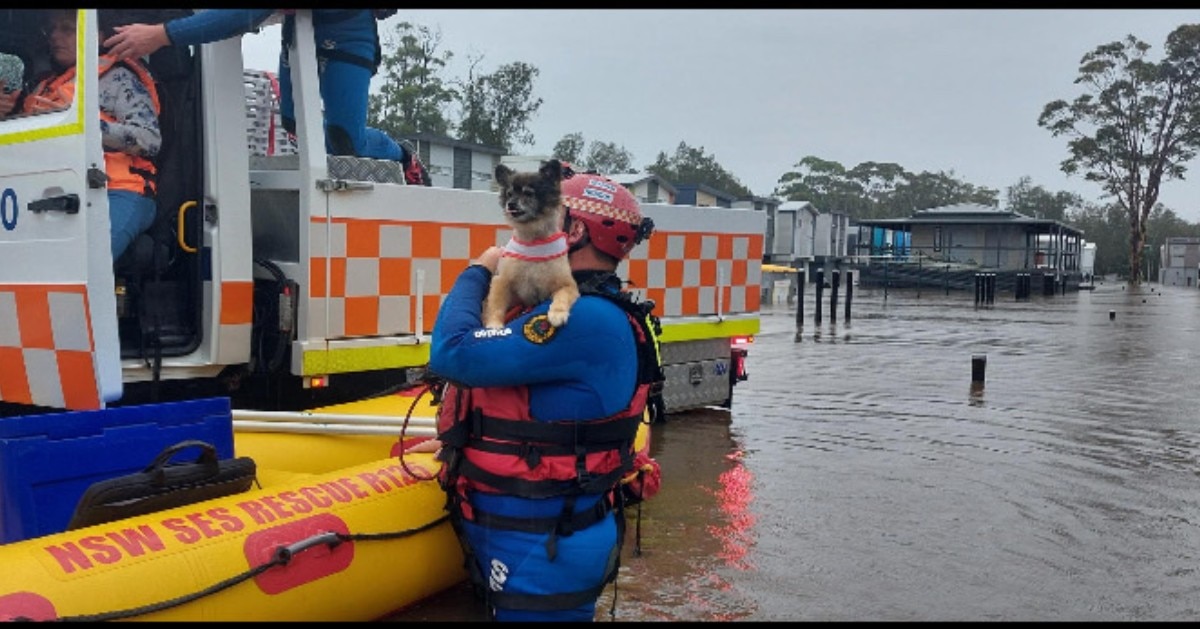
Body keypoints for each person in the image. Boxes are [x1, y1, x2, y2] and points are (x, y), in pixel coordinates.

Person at [416, 167, 664, 621]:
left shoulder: (582, 319)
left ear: (571, 230)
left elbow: (452, 353)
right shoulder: (578, 309)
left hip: (544, 541)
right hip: (536, 529)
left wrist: (480, 269)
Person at [102, 10, 408, 164]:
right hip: (300, 29)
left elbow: (240, 15)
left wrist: (162, 34)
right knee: (294, 125)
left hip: (348, 33)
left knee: (344, 143)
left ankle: (403, 158)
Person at [0, 9, 162, 261]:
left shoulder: (119, 79)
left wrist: (84, 122)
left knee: (87, 263)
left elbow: (149, 139)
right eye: (51, 30)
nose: (55, 36)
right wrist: (6, 115)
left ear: (95, 36)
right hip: (54, 190)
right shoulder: (44, 86)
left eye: (66, 29)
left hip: (118, 190)